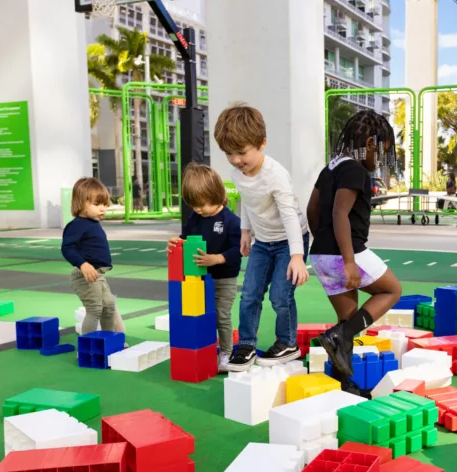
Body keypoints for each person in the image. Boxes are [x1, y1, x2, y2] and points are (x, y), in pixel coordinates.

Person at [308, 110, 402, 387]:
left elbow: (312, 208)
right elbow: (340, 213)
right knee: (392, 289)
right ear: (370, 145)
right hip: (346, 254)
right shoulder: (355, 169)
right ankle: (342, 334)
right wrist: (347, 260)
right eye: (381, 152)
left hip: (322, 254)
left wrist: (323, 241)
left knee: (346, 319)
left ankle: (344, 384)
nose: (380, 160)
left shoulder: (331, 168)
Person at [213, 103, 310, 371]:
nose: (235, 160)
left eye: (242, 152)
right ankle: (245, 344)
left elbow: (290, 216)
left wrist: (297, 257)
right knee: (250, 295)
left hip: (290, 242)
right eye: (229, 153)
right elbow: (247, 201)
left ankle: (288, 342)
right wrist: (245, 231)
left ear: (262, 144)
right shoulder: (238, 173)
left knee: (280, 295)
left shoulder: (275, 176)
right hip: (262, 242)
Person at [167, 162, 241, 372]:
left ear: (215, 194)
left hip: (223, 279)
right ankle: (206, 348)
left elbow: (239, 250)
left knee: (221, 314)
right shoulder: (195, 218)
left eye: (202, 204)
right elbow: (185, 239)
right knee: (200, 314)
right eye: (193, 205)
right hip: (198, 279)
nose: (198, 209)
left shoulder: (230, 221)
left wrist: (217, 259)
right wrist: (176, 243)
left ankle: (226, 352)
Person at [62, 177, 118, 334]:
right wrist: (83, 264)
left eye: (105, 205)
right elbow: (67, 248)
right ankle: (88, 347)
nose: (103, 209)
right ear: (80, 202)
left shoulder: (93, 223)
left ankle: (109, 339)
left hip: (98, 274)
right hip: (85, 275)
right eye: (97, 204)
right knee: (95, 309)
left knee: (109, 306)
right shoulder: (76, 225)